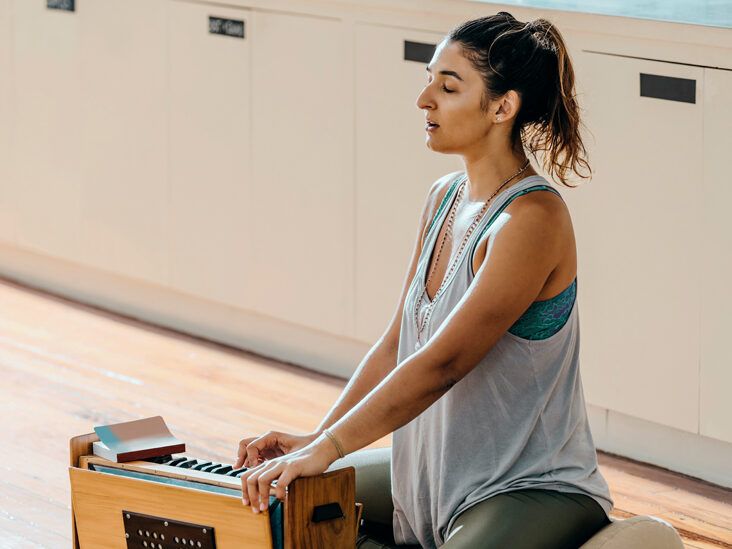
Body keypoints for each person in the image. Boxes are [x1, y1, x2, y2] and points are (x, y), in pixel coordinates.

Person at [233, 12, 614, 548]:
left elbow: (442, 364)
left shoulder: (532, 220)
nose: (424, 99)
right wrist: (314, 440)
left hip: (526, 485)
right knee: (284, 505)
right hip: (428, 471)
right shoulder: (443, 197)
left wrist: (330, 450)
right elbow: (397, 346)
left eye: (448, 85)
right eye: (430, 78)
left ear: (503, 107)